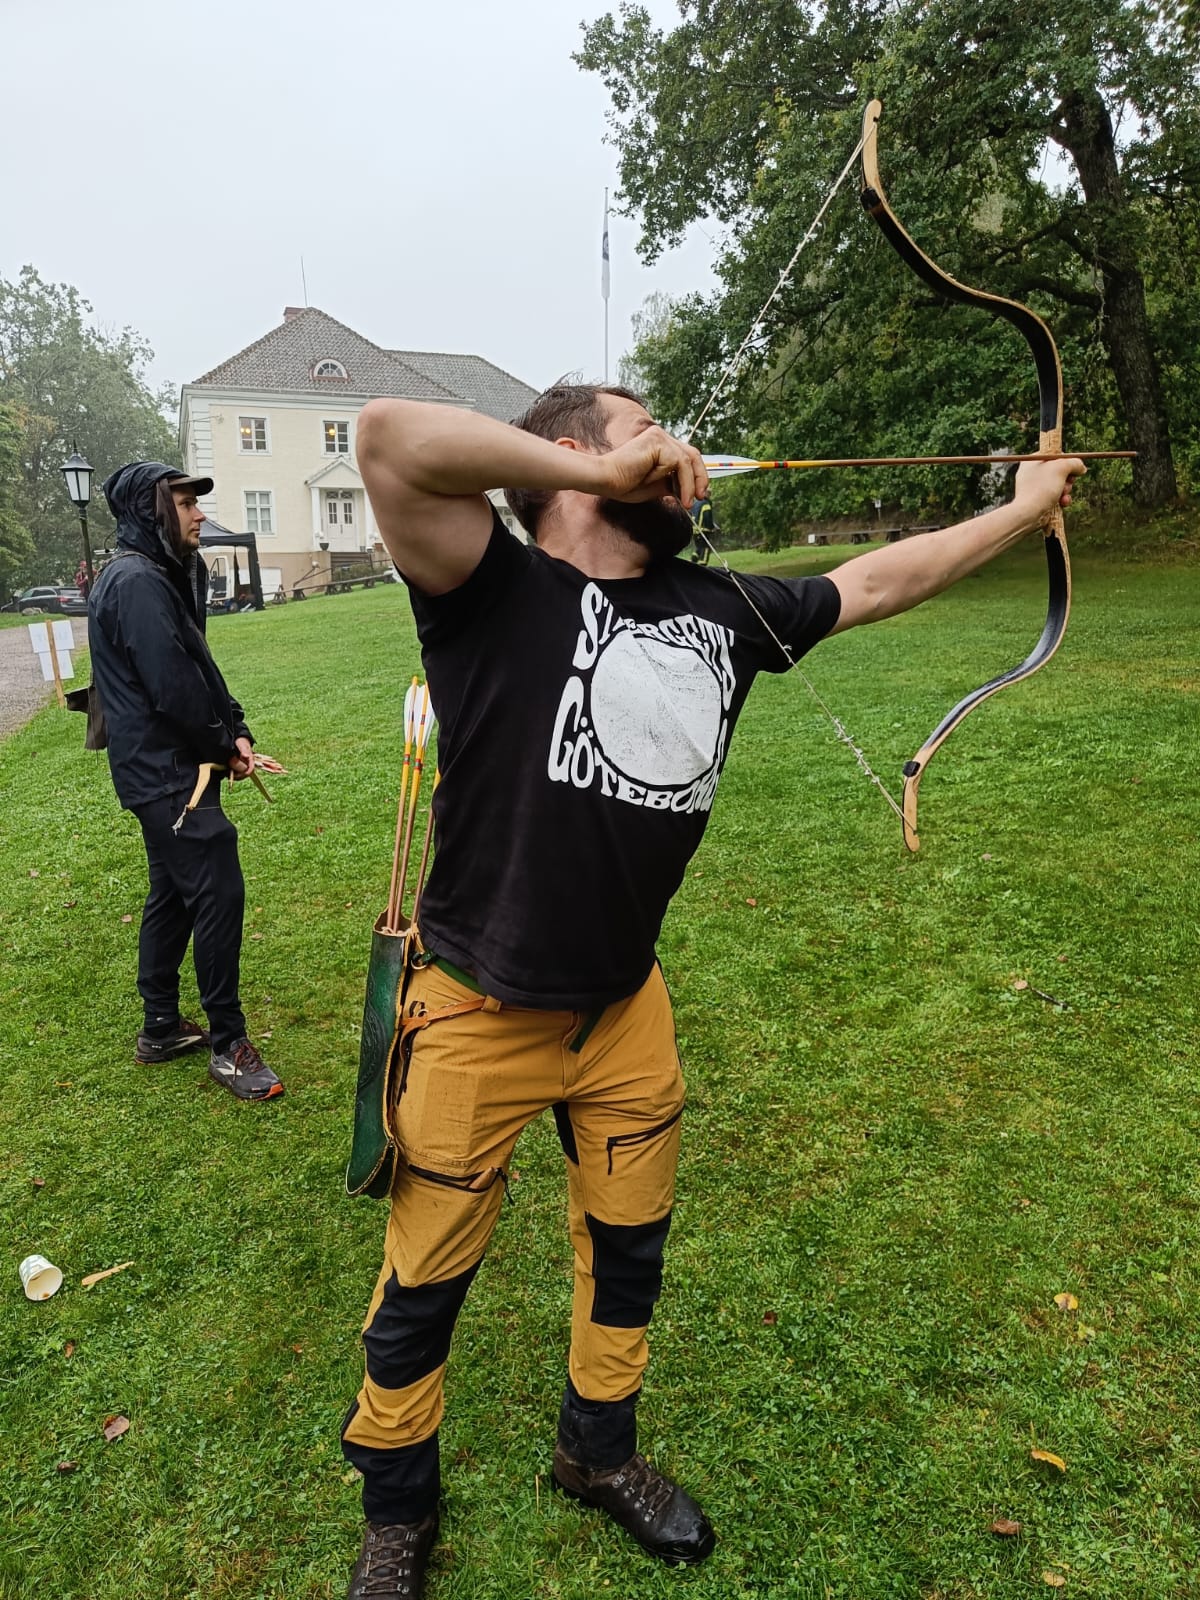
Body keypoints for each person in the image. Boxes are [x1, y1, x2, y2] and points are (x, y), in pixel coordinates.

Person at [341, 385, 1082, 1597]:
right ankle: (397, 1511)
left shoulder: (721, 607)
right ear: (569, 457)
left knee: (628, 1250)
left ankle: (596, 1451)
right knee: (422, 1286)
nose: (676, 448)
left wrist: (1020, 508)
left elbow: (879, 580)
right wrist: (599, 472)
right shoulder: (491, 587)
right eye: (643, 427)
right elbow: (386, 439)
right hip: (476, 1010)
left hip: (624, 1010)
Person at [87, 462, 283, 1102]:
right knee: (217, 885)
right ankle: (229, 1044)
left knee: (173, 890)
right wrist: (224, 748)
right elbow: (173, 687)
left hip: (174, 767)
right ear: (151, 511)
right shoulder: (135, 582)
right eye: (183, 503)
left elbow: (197, 664)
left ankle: (162, 1027)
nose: (198, 513)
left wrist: (235, 729)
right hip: (166, 773)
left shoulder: (160, 573)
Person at [690, 493, 717, 563]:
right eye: (709, 494)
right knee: (706, 548)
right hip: (703, 530)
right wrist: (711, 528)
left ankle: (693, 561)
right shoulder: (706, 504)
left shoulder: (695, 503)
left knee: (699, 548)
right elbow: (707, 517)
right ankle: (702, 564)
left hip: (695, 530)